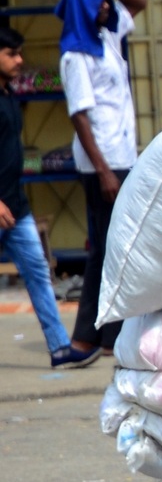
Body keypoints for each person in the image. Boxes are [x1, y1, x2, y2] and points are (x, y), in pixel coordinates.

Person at [56, 0, 146, 366]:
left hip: (124, 155)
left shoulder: (108, 38)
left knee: (117, 246)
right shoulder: (75, 55)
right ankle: (88, 337)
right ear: (83, 8)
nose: (107, 7)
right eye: (99, 2)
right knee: (105, 248)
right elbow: (79, 115)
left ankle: (104, 336)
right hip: (101, 163)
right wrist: (105, 170)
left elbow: (139, 2)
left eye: (107, 0)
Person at [0, 27, 84, 367]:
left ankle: (60, 348)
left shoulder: (8, 95)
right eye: (11, 54)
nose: (20, 61)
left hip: (16, 208)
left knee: (37, 271)